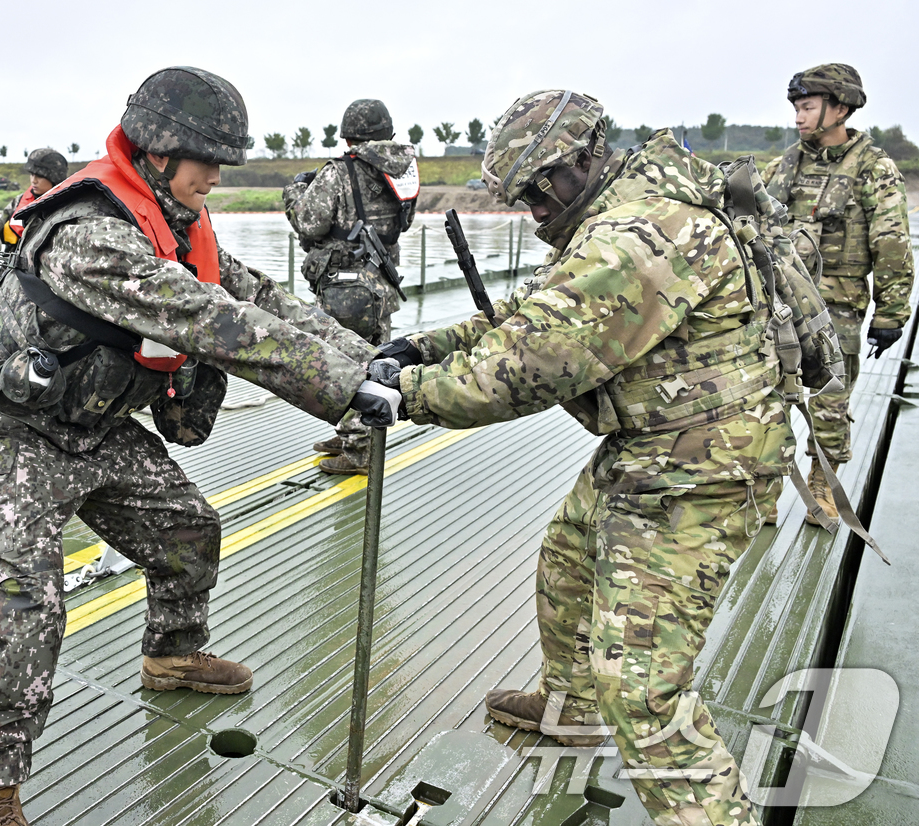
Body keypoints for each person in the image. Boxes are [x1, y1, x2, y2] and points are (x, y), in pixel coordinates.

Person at [0, 67, 395, 825]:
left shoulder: (179, 222)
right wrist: (344, 387)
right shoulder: (90, 233)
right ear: (155, 149)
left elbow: (261, 298)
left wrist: (372, 356)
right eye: (204, 159)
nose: (214, 176)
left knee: (187, 531)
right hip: (14, 436)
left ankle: (171, 655)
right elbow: (208, 319)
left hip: (94, 430)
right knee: (23, 610)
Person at [372, 91, 792, 826]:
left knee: (640, 686)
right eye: (523, 194)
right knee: (568, 557)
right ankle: (568, 711)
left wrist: (407, 392)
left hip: (698, 471)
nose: (535, 208)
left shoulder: (638, 235)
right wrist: (426, 345)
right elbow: (542, 306)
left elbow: (531, 362)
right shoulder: (624, 211)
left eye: (542, 187)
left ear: (587, 157)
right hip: (656, 444)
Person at [762, 63, 914, 524]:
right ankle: (764, 488)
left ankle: (823, 487)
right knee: (768, 394)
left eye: (807, 107)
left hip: (838, 306)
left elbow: (891, 242)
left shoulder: (874, 167)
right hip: (781, 303)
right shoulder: (786, 163)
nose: (798, 118)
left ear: (840, 108)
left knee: (830, 397)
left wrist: (891, 313)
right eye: (796, 108)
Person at [283, 99, 418, 474]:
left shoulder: (339, 172)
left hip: (344, 289)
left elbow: (309, 223)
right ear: (387, 135)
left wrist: (295, 191)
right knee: (375, 362)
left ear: (348, 137)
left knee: (343, 366)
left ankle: (359, 451)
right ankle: (352, 436)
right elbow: (403, 222)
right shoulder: (404, 170)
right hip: (381, 285)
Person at [0, 147, 69, 249]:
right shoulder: (19, 201)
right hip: (13, 264)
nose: (33, 180)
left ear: (55, 179)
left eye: (39, 176)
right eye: (31, 174)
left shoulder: (69, 207)